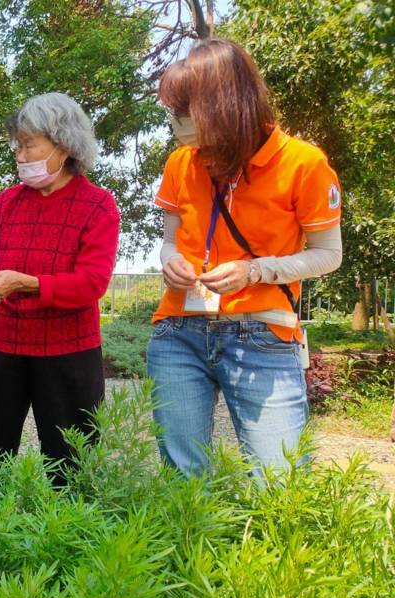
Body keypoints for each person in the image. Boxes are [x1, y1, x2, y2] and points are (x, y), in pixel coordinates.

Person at [147, 39, 342, 479]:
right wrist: (171, 260)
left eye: (186, 108)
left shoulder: (303, 164)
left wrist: (255, 270)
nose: (178, 121)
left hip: (263, 336)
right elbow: (169, 242)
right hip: (179, 331)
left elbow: (328, 254)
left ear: (225, 104)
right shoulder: (182, 162)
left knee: (279, 484)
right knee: (183, 480)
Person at [0, 93, 120, 490]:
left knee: (72, 466)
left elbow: (91, 283)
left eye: (29, 144)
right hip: (3, 346)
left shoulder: (98, 206)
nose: (20, 153)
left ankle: (67, 543)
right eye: (18, 144)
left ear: (63, 145)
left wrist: (27, 284)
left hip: (69, 354)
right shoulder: (5, 203)